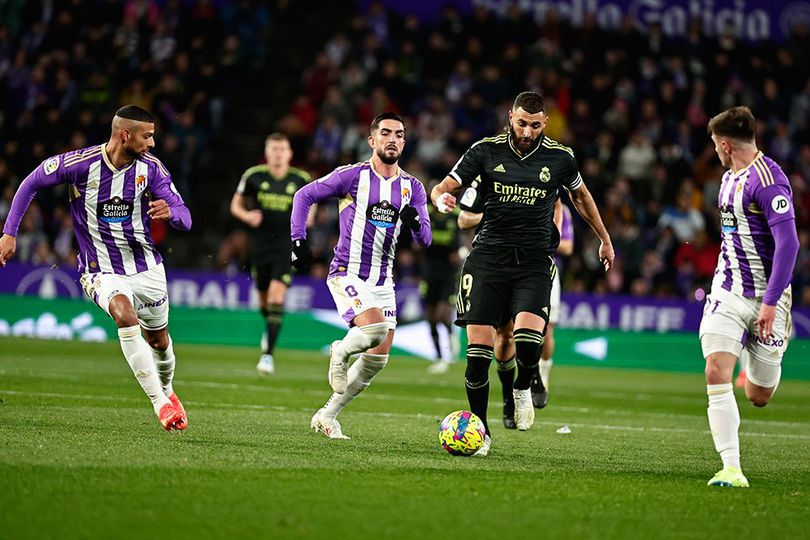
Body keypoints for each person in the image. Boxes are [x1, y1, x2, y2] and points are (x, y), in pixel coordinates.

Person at [431, 91, 613, 456]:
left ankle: (522, 387)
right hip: (487, 260)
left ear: (544, 123)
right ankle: (480, 434)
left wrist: (604, 239)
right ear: (509, 117)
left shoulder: (560, 158)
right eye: (521, 123)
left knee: (530, 341)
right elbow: (445, 186)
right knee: (478, 352)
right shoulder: (485, 150)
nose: (527, 131)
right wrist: (440, 197)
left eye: (534, 125)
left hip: (533, 262)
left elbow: (581, 198)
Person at [0, 105, 191, 432]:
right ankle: (161, 404)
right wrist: (9, 231)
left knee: (158, 340)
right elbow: (30, 182)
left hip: (145, 267)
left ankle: (169, 391)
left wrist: (171, 213)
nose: (153, 143)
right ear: (125, 135)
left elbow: (185, 217)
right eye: (148, 136)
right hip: (98, 268)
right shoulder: (79, 164)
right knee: (125, 315)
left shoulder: (152, 169)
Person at [289, 112, 431, 439]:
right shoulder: (352, 177)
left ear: (405, 142)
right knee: (375, 328)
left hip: (384, 281)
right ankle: (339, 351)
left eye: (399, 134)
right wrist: (298, 240)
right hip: (347, 272)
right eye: (385, 133)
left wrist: (413, 221)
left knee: (377, 359)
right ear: (372, 140)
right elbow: (303, 195)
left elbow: (425, 239)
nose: (392, 139)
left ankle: (327, 415)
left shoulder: (414, 188)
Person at [700, 106, 799, 488]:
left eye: (714, 145)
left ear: (725, 144)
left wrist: (772, 303)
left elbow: (789, 244)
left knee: (758, 394)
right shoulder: (728, 178)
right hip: (727, 290)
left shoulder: (769, 180)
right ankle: (731, 467)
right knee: (714, 369)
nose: (715, 151)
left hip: (767, 299)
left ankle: (756, 355)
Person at [458, 193, 570, 429]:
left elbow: (559, 202)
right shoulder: (488, 170)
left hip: (532, 265)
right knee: (505, 335)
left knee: (536, 330)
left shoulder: (547, 168)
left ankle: (531, 377)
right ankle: (509, 400)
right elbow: (463, 218)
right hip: (494, 265)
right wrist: (490, 215)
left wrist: (554, 237)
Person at [230, 133, 310, 375]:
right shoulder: (254, 176)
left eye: (282, 149)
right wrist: (247, 216)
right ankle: (270, 328)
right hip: (260, 246)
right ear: (267, 153)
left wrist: (308, 221)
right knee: (265, 303)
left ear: (289, 153)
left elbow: (311, 206)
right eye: (274, 149)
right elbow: (236, 204)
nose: (278, 153)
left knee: (277, 298)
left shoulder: (301, 179)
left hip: (286, 246)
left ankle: (268, 356)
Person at [422, 185, 461, 374]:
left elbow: (468, 231)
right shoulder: (426, 214)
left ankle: (451, 338)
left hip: (449, 272)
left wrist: (462, 251)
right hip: (429, 271)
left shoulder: (455, 215)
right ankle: (438, 357)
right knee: (430, 318)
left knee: (442, 315)